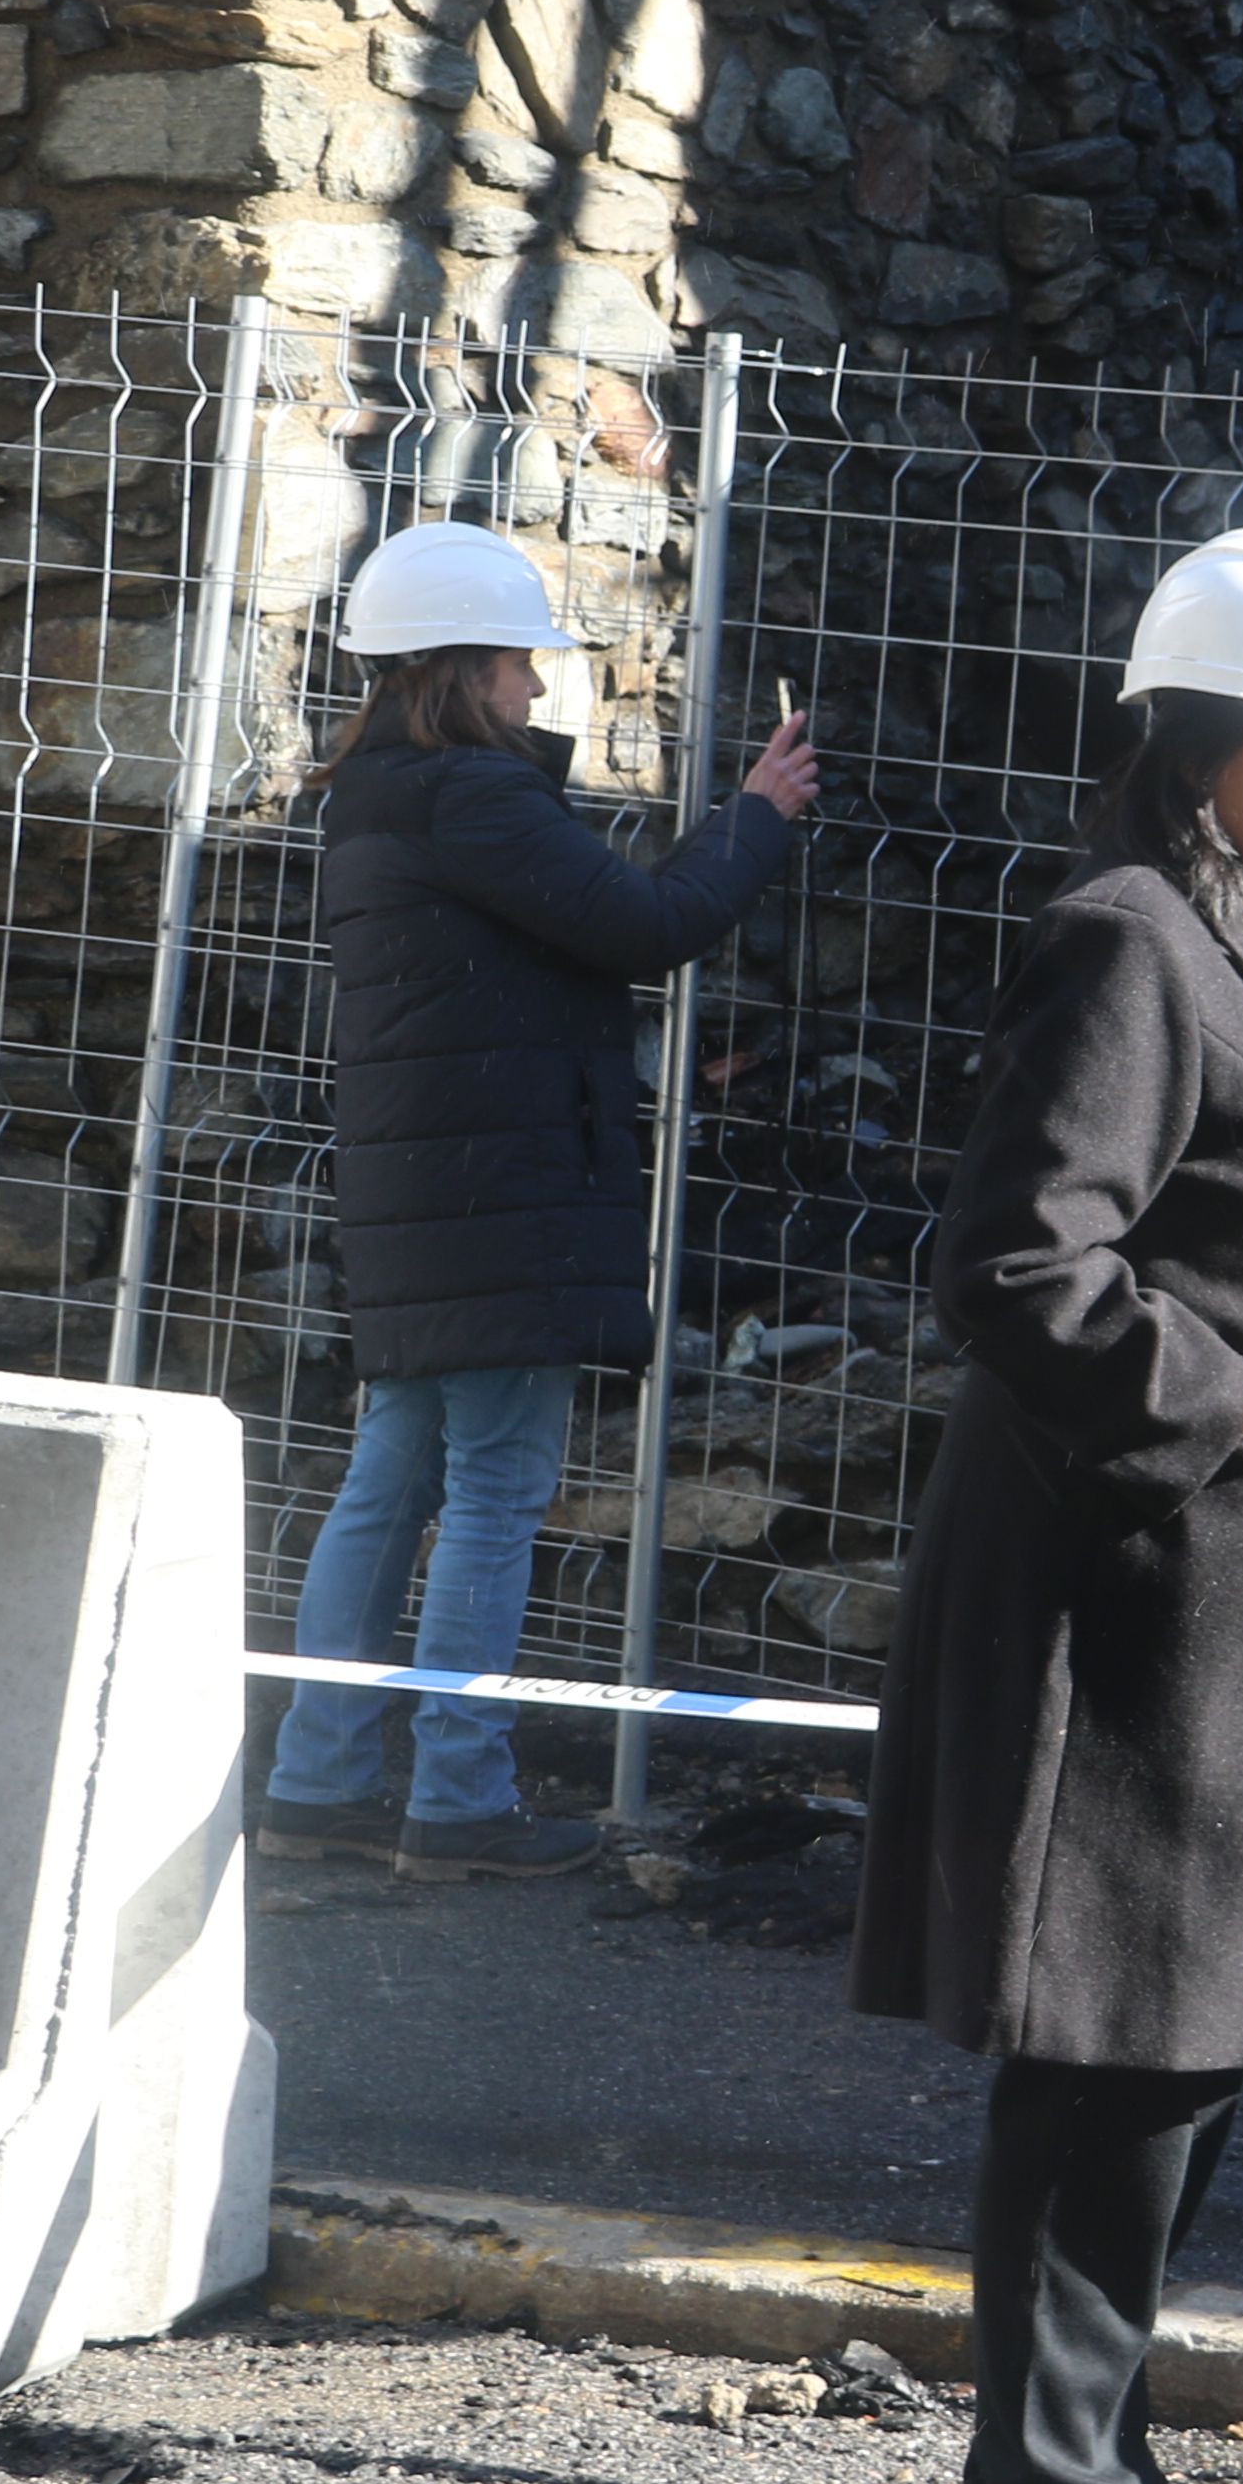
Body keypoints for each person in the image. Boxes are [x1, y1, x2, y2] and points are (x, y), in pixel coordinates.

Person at [851, 528, 1243, 2484]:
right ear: (1200, 754)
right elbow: (1019, 1264)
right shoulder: (1131, 939)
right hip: (1146, 1620)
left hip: (1232, 1626)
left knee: (1162, 2082)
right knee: (1117, 2078)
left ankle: (1074, 2466)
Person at [250, 521, 811, 1880]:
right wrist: (754, 819)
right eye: (517, 663)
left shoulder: (372, 796)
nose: (538, 688)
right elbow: (645, 925)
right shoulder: (475, 799)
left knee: (386, 1483)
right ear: (459, 670)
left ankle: (317, 1782)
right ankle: (458, 1799)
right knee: (496, 1492)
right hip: (504, 1192)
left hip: (420, 1191)